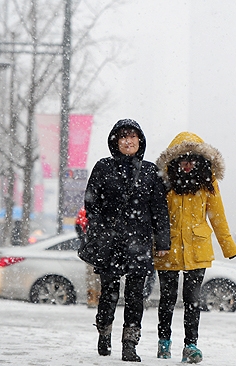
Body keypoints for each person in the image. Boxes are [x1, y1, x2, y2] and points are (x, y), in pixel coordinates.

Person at [84, 119, 171, 362]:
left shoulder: (150, 171)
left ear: (140, 141)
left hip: (139, 243)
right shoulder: (103, 167)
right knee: (108, 292)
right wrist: (100, 231)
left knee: (135, 296)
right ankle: (104, 331)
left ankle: (130, 344)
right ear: (115, 141)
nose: (128, 141)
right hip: (109, 243)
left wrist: (163, 242)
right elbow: (92, 204)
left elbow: (159, 210)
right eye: (123, 137)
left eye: (132, 136)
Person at [154, 132, 236, 363]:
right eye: (183, 160)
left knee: (192, 299)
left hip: (198, 249)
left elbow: (217, 216)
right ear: (174, 161)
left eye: (193, 160)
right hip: (167, 249)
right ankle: (164, 342)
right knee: (167, 299)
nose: (188, 165)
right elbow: (156, 216)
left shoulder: (208, 184)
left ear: (202, 161)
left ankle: (191, 346)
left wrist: (228, 247)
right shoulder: (164, 183)